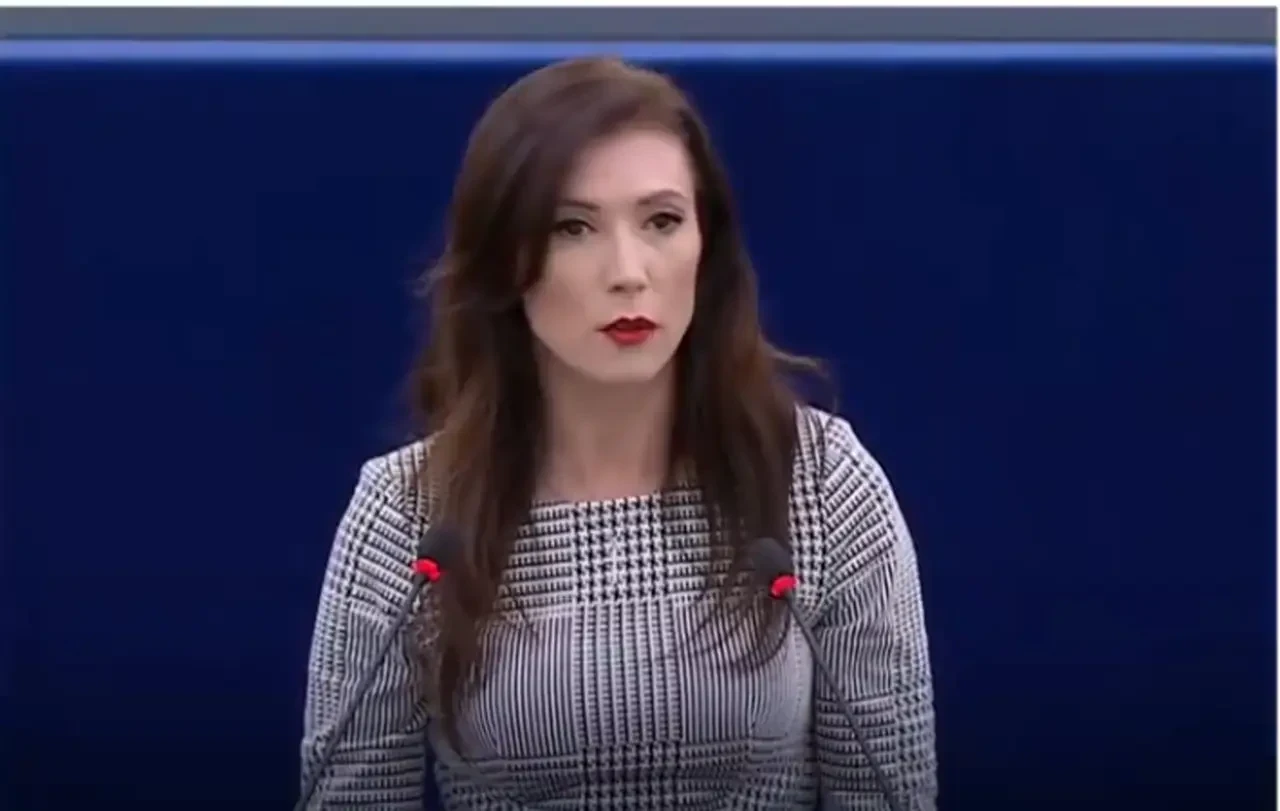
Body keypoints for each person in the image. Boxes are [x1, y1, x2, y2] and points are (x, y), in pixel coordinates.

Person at [300, 55, 938, 810]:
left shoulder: (822, 483)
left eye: (662, 221)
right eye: (572, 227)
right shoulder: (408, 513)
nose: (629, 271)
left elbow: (889, 791)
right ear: (504, 260)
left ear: (707, 246)